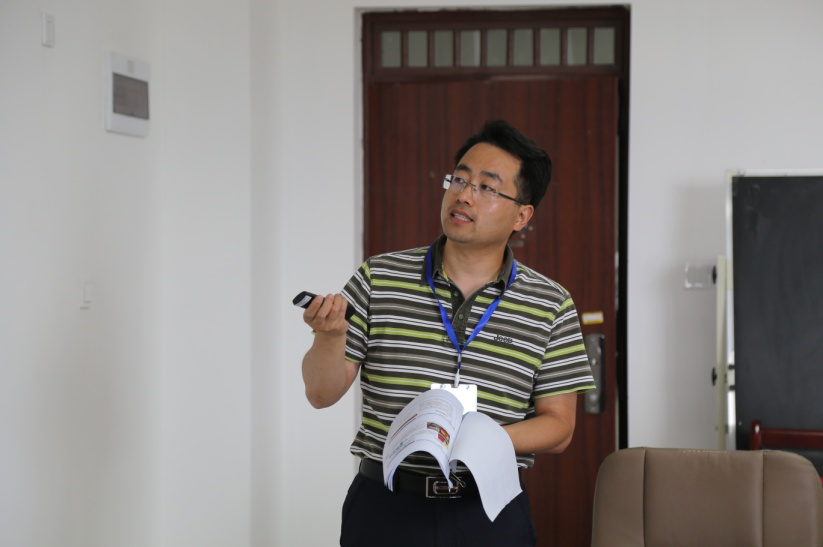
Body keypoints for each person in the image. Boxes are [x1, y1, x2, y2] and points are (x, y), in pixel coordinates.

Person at [301, 120, 595, 546]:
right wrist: (329, 337)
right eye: (459, 179)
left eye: (487, 187)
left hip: (489, 511)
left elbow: (560, 427)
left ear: (522, 215)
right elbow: (320, 394)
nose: (464, 195)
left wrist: (477, 440)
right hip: (387, 506)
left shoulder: (551, 303)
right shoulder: (379, 278)